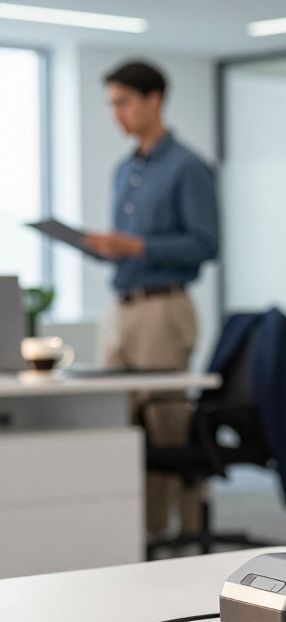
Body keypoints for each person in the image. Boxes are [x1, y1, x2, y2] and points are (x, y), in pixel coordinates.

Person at [84, 59, 219, 542]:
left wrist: (138, 246)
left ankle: (174, 535)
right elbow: (127, 246)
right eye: (111, 104)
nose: (116, 113)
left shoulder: (187, 166)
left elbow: (207, 244)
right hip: (122, 305)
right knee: (118, 424)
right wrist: (105, 247)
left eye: (122, 102)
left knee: (166, 427)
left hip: (164, 308)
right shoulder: (125, 170)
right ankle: (132, 534)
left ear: (153, 99)